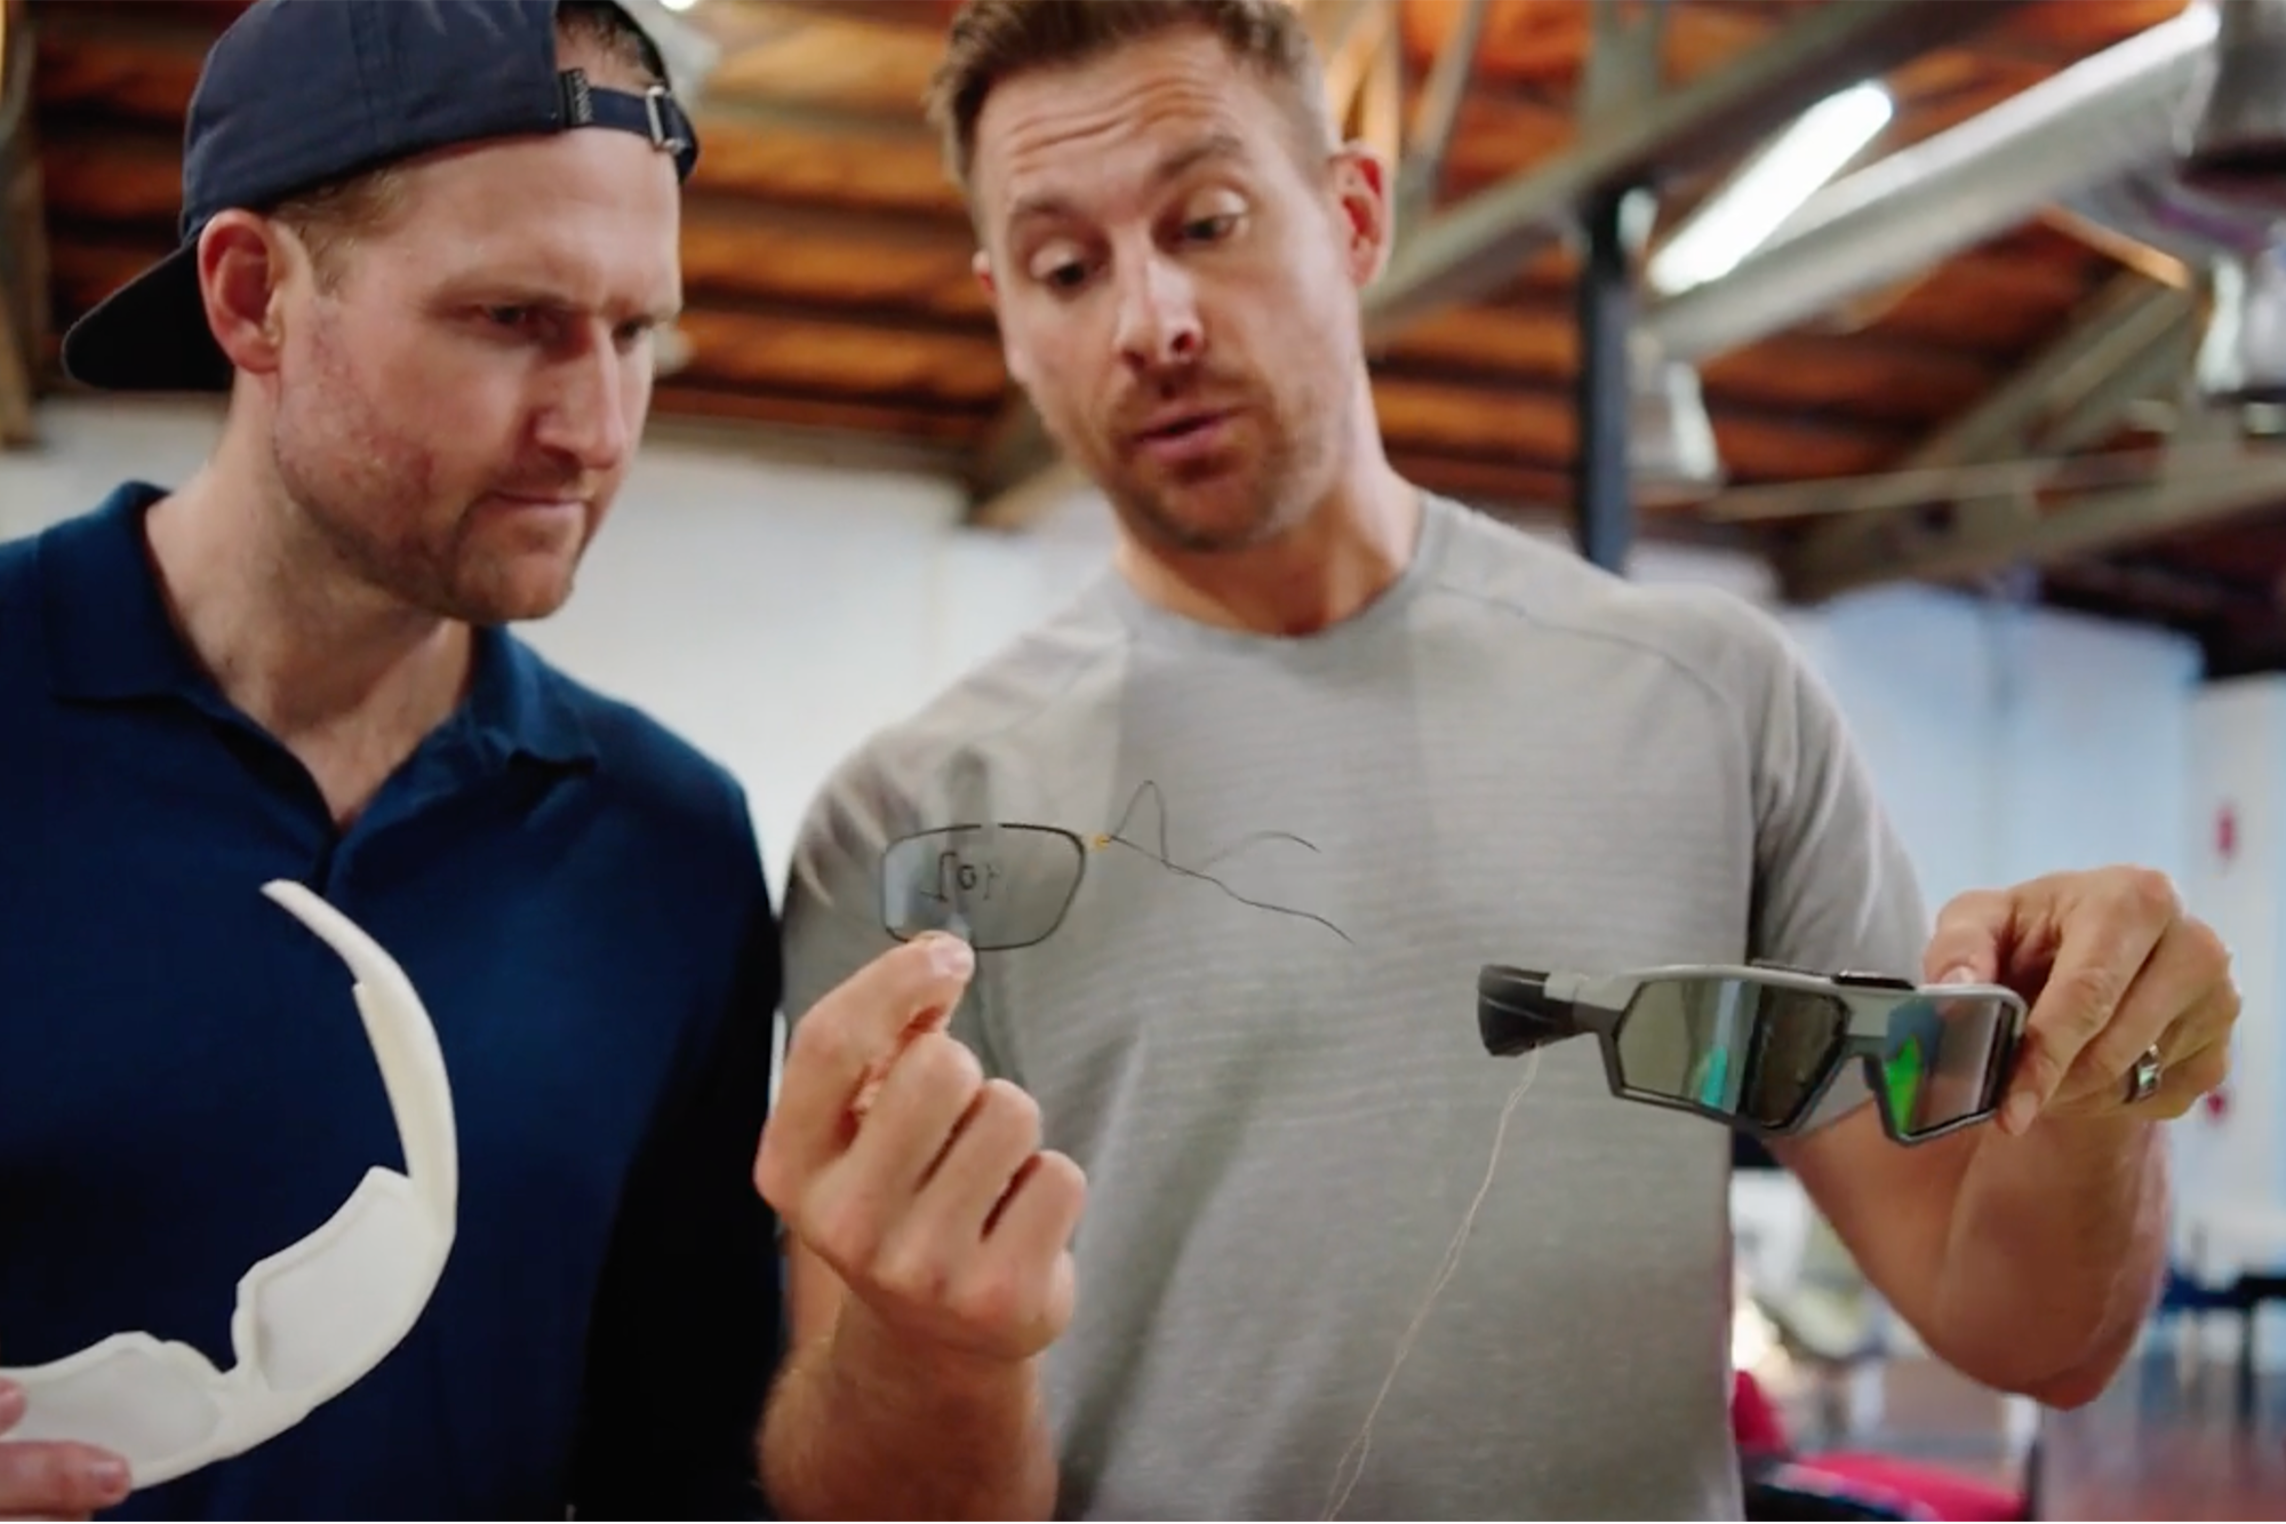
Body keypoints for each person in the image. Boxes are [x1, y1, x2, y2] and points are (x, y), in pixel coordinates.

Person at [747, 1, 2240, 1521]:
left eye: (1207, 221)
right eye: (1067, 268)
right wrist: (936, 1355)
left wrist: (2104, 1070)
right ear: (1004, 311)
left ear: (1352, 216)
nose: (1151, 321)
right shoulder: (918, 822)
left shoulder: (1710, 704)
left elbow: (2029, 1332)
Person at [0, 1, 781, 1519]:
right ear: (253, 297)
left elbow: (681, 1459)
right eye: (512, 318)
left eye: (636, 332)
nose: (596, 427)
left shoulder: (666, 847)